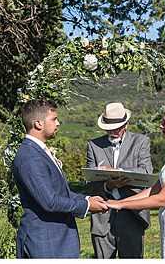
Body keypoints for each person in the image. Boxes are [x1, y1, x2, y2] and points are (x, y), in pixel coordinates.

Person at [13, 99, 108, 258]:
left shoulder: (39, 151)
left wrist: (87, 198)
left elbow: (60, 192)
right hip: (45, 240)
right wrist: (85, 205)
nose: (58, 123)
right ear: (38, 124)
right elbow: (49, 201)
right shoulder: (30, 156)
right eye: (53, 119)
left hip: (57, 238)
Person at [105, 103, 165, 259]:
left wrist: (121, 204)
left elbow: (161, 199)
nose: (160, 125)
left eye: (164, 122)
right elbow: (152, 191)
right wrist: (118, 203)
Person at [86, 102, 153, 258]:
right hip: (102, 216)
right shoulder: (93, 145)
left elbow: (146, 171)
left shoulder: (141, 141)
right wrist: (108, 185)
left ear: (126, 124)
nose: (114, 130)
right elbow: (90, 182)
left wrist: (120, 173)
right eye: (110, 127)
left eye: (118, 126)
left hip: (132, 215)